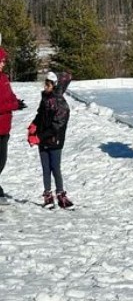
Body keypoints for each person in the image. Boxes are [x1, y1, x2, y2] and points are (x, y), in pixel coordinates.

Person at [29, 71, 73, 208]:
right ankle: (47, 194)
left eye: (48, 84)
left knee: (55, 168)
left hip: (54, 140)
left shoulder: (60, 104)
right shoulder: (46, 98)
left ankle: (61, 194)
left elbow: (56, 126)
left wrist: (38, 137)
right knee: (45, 168)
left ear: (54, 85)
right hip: (42, 139)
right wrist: (34, 125)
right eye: (45, 83)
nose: (45, 86)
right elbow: (40, 113)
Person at [0, 47, 27, 204]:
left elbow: (9, 95)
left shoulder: (3, 78)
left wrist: (17, 101)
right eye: (1, 60)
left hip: (5, 127)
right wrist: (13, 105)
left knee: (2, 161)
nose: (3, 63)